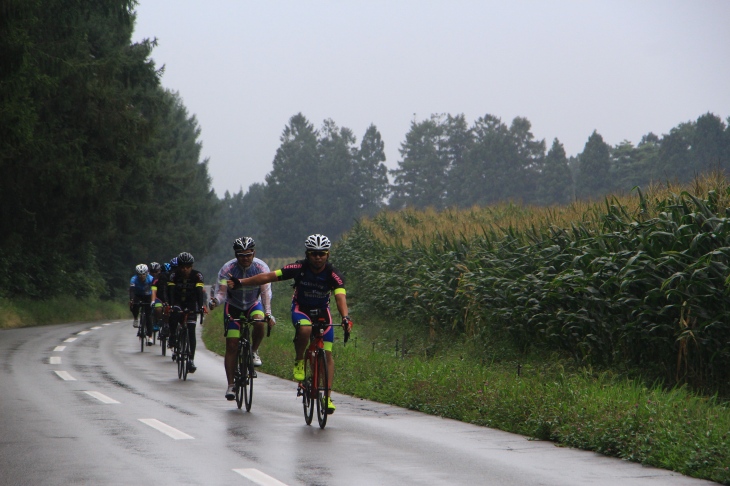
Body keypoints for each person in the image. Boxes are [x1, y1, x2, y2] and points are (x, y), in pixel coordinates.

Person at [229, 234, 353, 414]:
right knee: (305, 328)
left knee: (327, 354)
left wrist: (345, 317)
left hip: (322, 312)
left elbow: (340, 297)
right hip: (300, 309)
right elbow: (268, 277)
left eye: (322, 254)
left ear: (328, 254)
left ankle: (326, 397)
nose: (318, 257)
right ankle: (299, 360)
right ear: (307, 254)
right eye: (313, 254)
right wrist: (241, 282)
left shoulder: (333, 274)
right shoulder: (299, 267)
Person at [209, 237, 275, 401]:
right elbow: (221, 293)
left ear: (254, 253)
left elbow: (266, 293)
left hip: (253, 304)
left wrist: (268, 313)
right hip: (234, 306)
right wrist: (215, 301)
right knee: (232, 345)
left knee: (259, 323)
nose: (245, 258)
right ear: (236, 255)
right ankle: (231, 385)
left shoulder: (261, 267)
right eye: (241, 255)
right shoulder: (227, 269)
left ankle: (253, 351)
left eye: (248, 254)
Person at [167, 252, 207, 372]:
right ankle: (173, 335)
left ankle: (191, 360)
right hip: (178, 302)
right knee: (174, 314)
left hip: (191, 303)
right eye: (183, 267)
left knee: (191, 331)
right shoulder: (173, 276)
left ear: (192, 266)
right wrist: (171, 305)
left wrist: (200, 307)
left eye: (188, 267)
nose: (185, 270)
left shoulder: (197, 276)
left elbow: (200, 293)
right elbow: (171, 292)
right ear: (179, 267)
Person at [129, 263, 154, 345]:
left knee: (148, 315)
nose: (141, 276)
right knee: (134, 305)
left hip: (148, 295)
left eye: (143, 274)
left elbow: (154, 290)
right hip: (138, 295)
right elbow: (132, 290)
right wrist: (132, 299)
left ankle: (150, 336)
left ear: (146, 273)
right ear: (137, 274)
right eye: (139, 274)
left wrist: (153, 300)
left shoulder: (151, 279)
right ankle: (136, 318)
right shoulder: (133, 279)